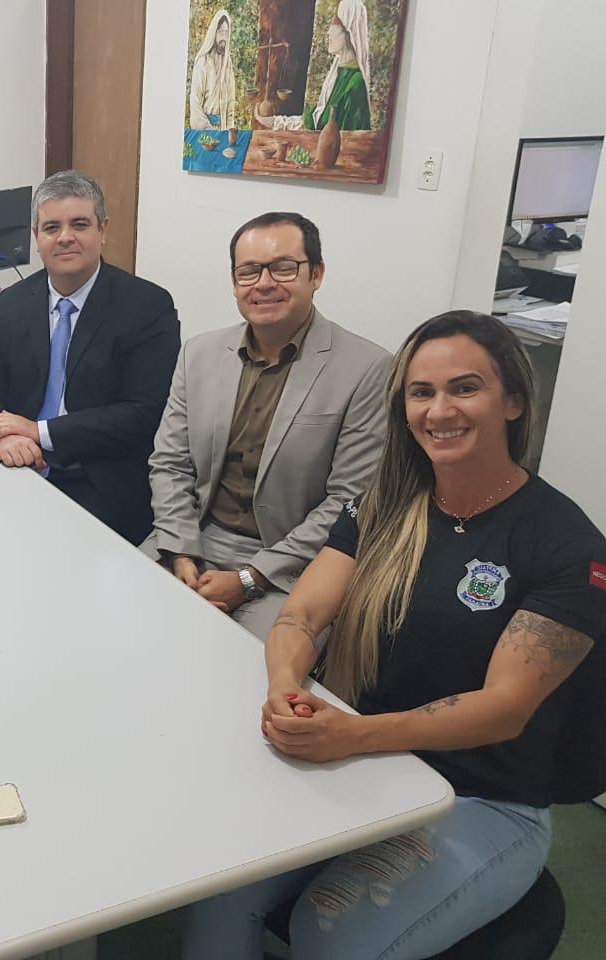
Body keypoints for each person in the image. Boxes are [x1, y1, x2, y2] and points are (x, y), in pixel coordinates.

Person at [178, 311, 606, 959]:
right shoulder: (383, 502)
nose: (439, 410)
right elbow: (301, 617)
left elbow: (504, 709)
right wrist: (285, 686)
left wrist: (353, 735)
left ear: (514, 401)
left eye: (465, 388)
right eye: (420, 392)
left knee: (327, 936)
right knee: (220, 886)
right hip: (370, 764)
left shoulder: (566, 546)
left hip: (483, 800)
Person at [147, 212, 389, 639]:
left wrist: (249, 578)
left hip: (292, 562)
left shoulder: (367, 369)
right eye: (248, 271)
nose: (263, 283)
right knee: (119, 621)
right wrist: (182, 553)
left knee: (248, 666)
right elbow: (170, 463)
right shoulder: (198, 354)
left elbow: (348, 501)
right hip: (192, 537)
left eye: (283, 268)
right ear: (234, 281)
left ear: (316, 274)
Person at [0, 170, 178, 545]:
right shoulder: (12, 303)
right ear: (36, 237)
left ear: (102, 230)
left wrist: (38, 432)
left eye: (79, 224)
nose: (65, 237)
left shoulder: (147, 307)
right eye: (51, 227)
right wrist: (2, 438)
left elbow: (142, 414)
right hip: (19, 467)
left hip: (99, 480)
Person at [305, 0, 373, 131]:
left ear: (349, 33)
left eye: (335, 24)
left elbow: (344, 138)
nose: (329, 32)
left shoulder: (355, 84)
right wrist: (277, 122)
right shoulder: (337, 74)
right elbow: (316, 122)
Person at [189, 9, 236, 130]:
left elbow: (231, 102)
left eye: (226, 32)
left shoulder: (227, 63)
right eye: (220, 32)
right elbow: (195, 102)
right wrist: (208, 129)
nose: (223, 37)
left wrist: (229, 129)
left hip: (223, 128)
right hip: (205, 129)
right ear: (214, 33)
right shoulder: (202, 62)